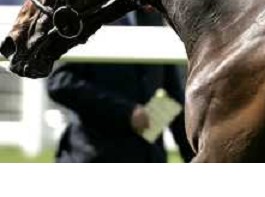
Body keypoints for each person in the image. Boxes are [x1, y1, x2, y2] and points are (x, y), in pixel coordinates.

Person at [47, 10, 194, 163]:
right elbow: (60, 83)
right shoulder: (90, 14)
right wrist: (127, 112)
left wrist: (192, 156)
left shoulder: (151, 15)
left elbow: (171, 91)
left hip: (148, 158)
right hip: (95, 156)